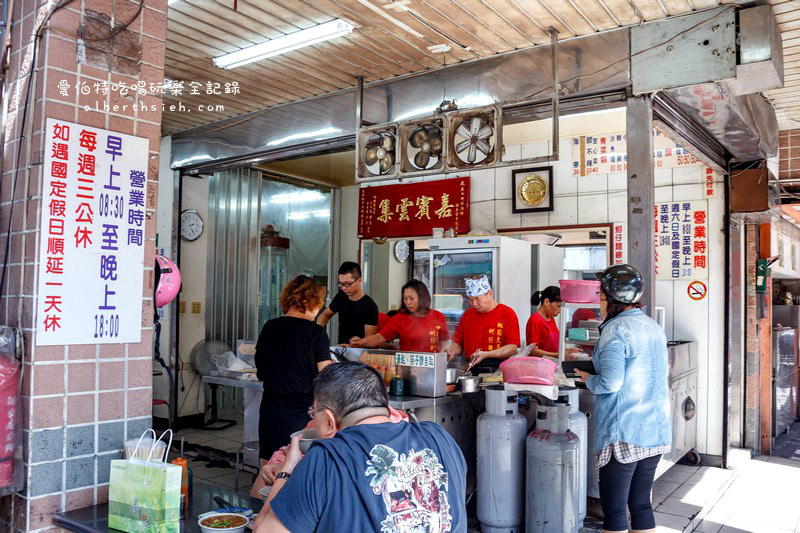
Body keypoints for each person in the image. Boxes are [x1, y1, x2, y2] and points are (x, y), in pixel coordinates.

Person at [253, 362, 467, 533]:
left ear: (328, 419)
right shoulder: (439, 436)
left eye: (313, 413)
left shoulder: (324, 458)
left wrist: (287, 470)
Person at [574, 264, 671, 533]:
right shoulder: (652, 326)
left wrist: (586, 378)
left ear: (613, 297)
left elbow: (611, 382)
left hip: (624, 432)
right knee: (641, 505)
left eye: (601, 295)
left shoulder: (615, 330)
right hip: (655, 429)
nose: (600, 301)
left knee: (615, 509)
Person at [254, 276, 333, 472]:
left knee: (267, 466)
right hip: (301, 414)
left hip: (270, 410)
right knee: (295, 468)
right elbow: (327, 377)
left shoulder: (269, 327)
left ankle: (259, 501)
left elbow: (261, 371)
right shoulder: (316, 333)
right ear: (312, 302)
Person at [253, 403, 410, 496]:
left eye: (314, 411)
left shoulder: (389, 447)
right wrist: (279, 469)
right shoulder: (316, 429)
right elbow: (258, 491)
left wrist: (287, 473)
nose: (313, 417)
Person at [445, 274, 520, 373]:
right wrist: (451, 351)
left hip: (498, 371)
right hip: (472, 369)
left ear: (490, 293)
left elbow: (512, 348)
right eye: (470, 299)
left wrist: (486, 354)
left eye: (477, 299)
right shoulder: (468, 315)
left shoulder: (507, 313)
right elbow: (459, 344)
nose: (474, 304)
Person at [350, 279, 450, 352]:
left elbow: (445, 342)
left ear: (423, 298)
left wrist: (444, 356)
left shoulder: (438, 316)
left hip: (431, 367)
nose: (408, 302)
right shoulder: (400, 318)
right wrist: (362, 342)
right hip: (406, 368)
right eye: (405, 298)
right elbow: (379, 338)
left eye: (411, 298)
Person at [317, 261, 379, 345]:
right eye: (341, 284)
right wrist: (316, 331)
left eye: (348, 284)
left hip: (359, 354)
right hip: (341, 350)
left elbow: (369, 341)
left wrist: (351, 346)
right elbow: (325, 314)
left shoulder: (370, 306)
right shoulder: (341, 296)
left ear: (359, 280)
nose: (343, 288)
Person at [525, 286, 580, 360]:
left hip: (553, 362)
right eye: (558, 306)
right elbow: (532, 351)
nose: (559, 311)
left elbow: (553, 346)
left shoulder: (551, 319)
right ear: (546, 302)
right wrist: (559, 354)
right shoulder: (534, 320)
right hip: (541, 364)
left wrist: (567, 350)